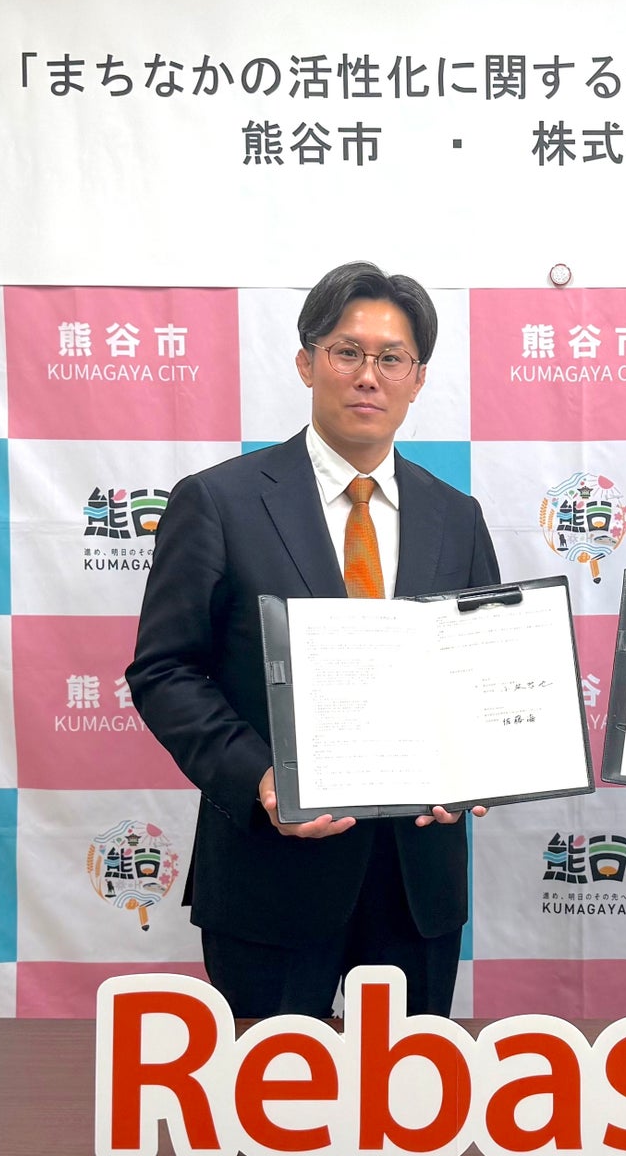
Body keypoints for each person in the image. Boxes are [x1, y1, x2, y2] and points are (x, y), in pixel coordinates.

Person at [127, 261, 498, 1019]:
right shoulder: (220, 502)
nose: (368, 376)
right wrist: (262, 779)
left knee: (407, 1089)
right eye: (347, 352)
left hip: (416, 881)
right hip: (270, 873)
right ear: (306, 362)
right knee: (270, 1092)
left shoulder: (456, 517)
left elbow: (482, 675)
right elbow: (165, 670)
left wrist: (481, 766)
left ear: (418, 379)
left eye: (391, 358)